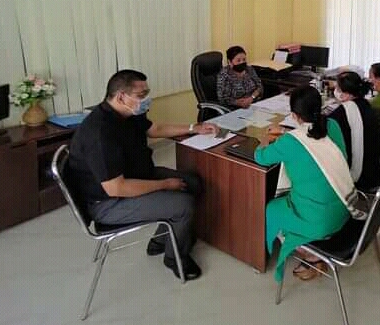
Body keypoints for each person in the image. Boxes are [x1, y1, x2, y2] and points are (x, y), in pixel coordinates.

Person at [68, 70, 219, 281]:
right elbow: (116, 188)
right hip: (108, 202)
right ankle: (175, 257)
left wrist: (195, 128)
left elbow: (155, 129)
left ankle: (161, 240)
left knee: (192, 182)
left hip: (137, 176)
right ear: (121, 96)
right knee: (182, 204)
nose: (147, 99)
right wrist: (165, 184)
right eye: (142, 95)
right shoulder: (100, 133)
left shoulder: (129, 113)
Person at [255, 85, 355, 283]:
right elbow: (313, 137)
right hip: (345, 207)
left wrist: (265, 139)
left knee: (272, 209)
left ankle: (312, 255)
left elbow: (260, 157)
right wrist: (286, 132)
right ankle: (312, 248)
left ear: (294, 115)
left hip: (322, 221)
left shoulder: (290, 143)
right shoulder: (332, 125)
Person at [327, 71, 380, 190]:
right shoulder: (365, 104)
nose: (335, 91)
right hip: (373, 169)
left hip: (359, 176)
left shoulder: (342, 114)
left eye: (337, 88)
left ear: (346, 94)